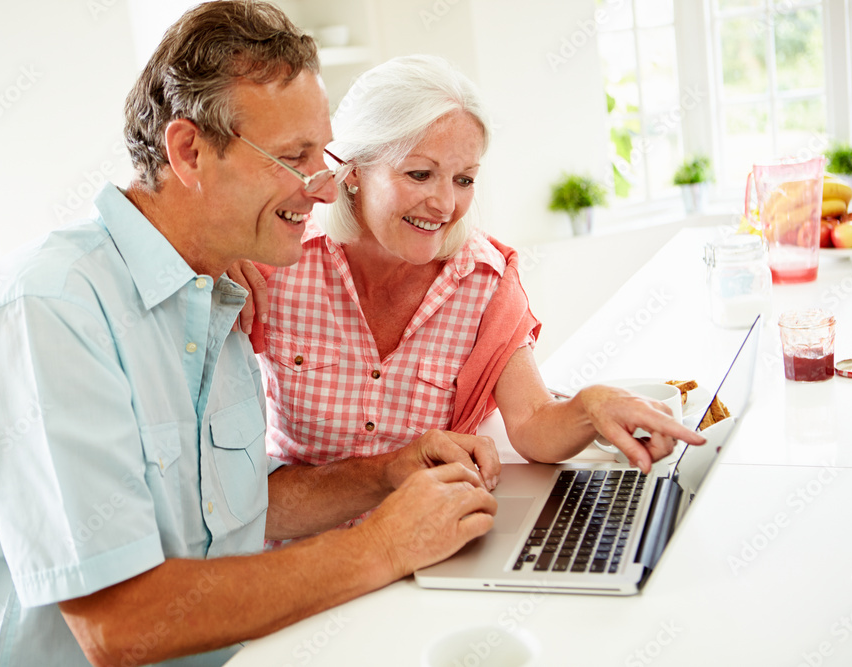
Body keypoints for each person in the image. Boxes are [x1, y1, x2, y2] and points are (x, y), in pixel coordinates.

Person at [0, 5, 500, 665]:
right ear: (189, 152)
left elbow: (231, 509)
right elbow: (120, 622)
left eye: (323, 151)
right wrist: (384, 546)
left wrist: (384, 474)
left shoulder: (216, 288)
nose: (326, 184)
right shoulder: (48, 312)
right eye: (293, 156)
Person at [237, 55, 704, 508]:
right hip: (301, 547)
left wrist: (590, 406)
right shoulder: (278, 261)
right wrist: (216, 266)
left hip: (429, 548)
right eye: (420, 174)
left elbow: (533, 423)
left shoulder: (486, 282)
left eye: (464, 179)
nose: (444, 204)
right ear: (353, 169)